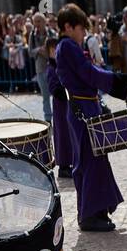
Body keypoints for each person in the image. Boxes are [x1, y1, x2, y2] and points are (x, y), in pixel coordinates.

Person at [56, 2, 127, 231]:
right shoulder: (68, 46)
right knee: (90, 161)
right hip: (83, 110)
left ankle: (96, 211)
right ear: (68, 26)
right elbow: (88, 73)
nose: (84, 33)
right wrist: (118, 80)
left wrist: (117, 80)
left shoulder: (67, 46)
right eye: (81, 28)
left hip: (86, 107)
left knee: (95, 159)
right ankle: (90, 215)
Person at [46, 34, 73, 179]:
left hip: (67, 105)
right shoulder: (51, 69)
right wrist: (64, 90)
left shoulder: (62, 65)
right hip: (60, 105)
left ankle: (71, 162)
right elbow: (54, 88)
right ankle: (63, 165)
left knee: (69, 134)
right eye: (52, 50)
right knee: (62, 135)